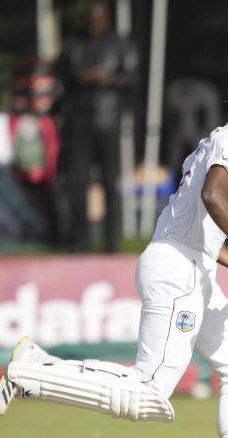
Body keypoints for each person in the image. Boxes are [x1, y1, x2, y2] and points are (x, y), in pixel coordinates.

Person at [0, 62, 228, 438]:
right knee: (150, 393)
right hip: (177, 270)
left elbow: (203, 227)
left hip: (189, 264)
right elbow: (214, 197)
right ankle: (34, 371)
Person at [55, 0, 137, 252]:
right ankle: (81, 241)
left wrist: (108, 78)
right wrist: (79, 76)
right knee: (77, 182)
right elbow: (58, 71)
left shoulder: (120, 45)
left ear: (107, 20)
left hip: (107, 120)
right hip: (79, 120)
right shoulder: (74, 44)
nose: (94, 24)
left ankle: (111, 242)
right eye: (91, 19)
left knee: (109, 182)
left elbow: (132, 78)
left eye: (98, 19)